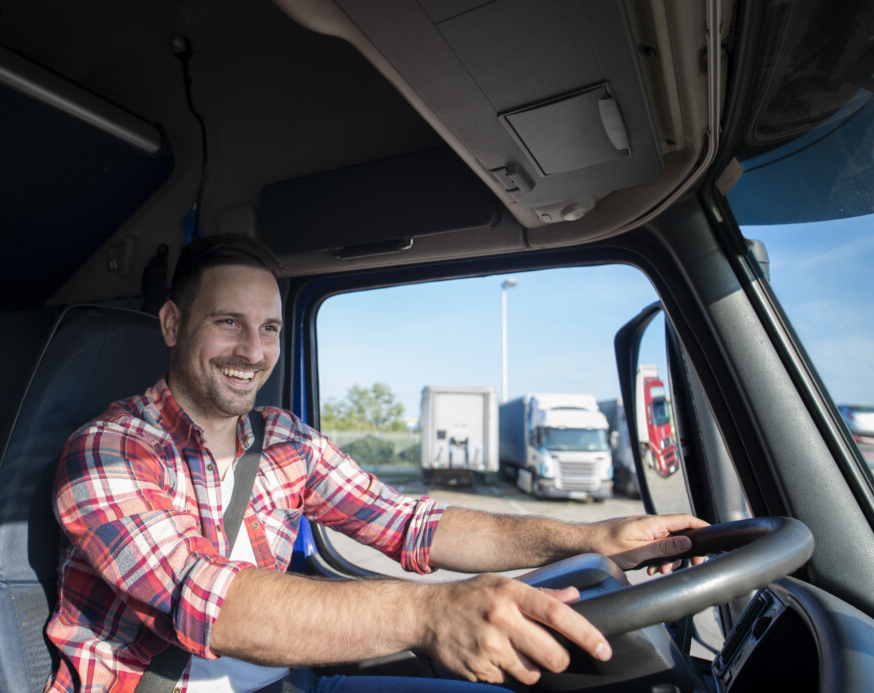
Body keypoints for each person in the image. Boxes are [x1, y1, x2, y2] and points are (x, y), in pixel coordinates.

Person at [45, 235, 707, 693]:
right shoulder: (108, 449)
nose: (253, 350)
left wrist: (590, 537)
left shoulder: (284, 441)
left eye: (270, 327)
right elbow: (209, 602)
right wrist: (429, 614)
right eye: (228, 322)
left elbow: (413, 525)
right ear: (170, 324)